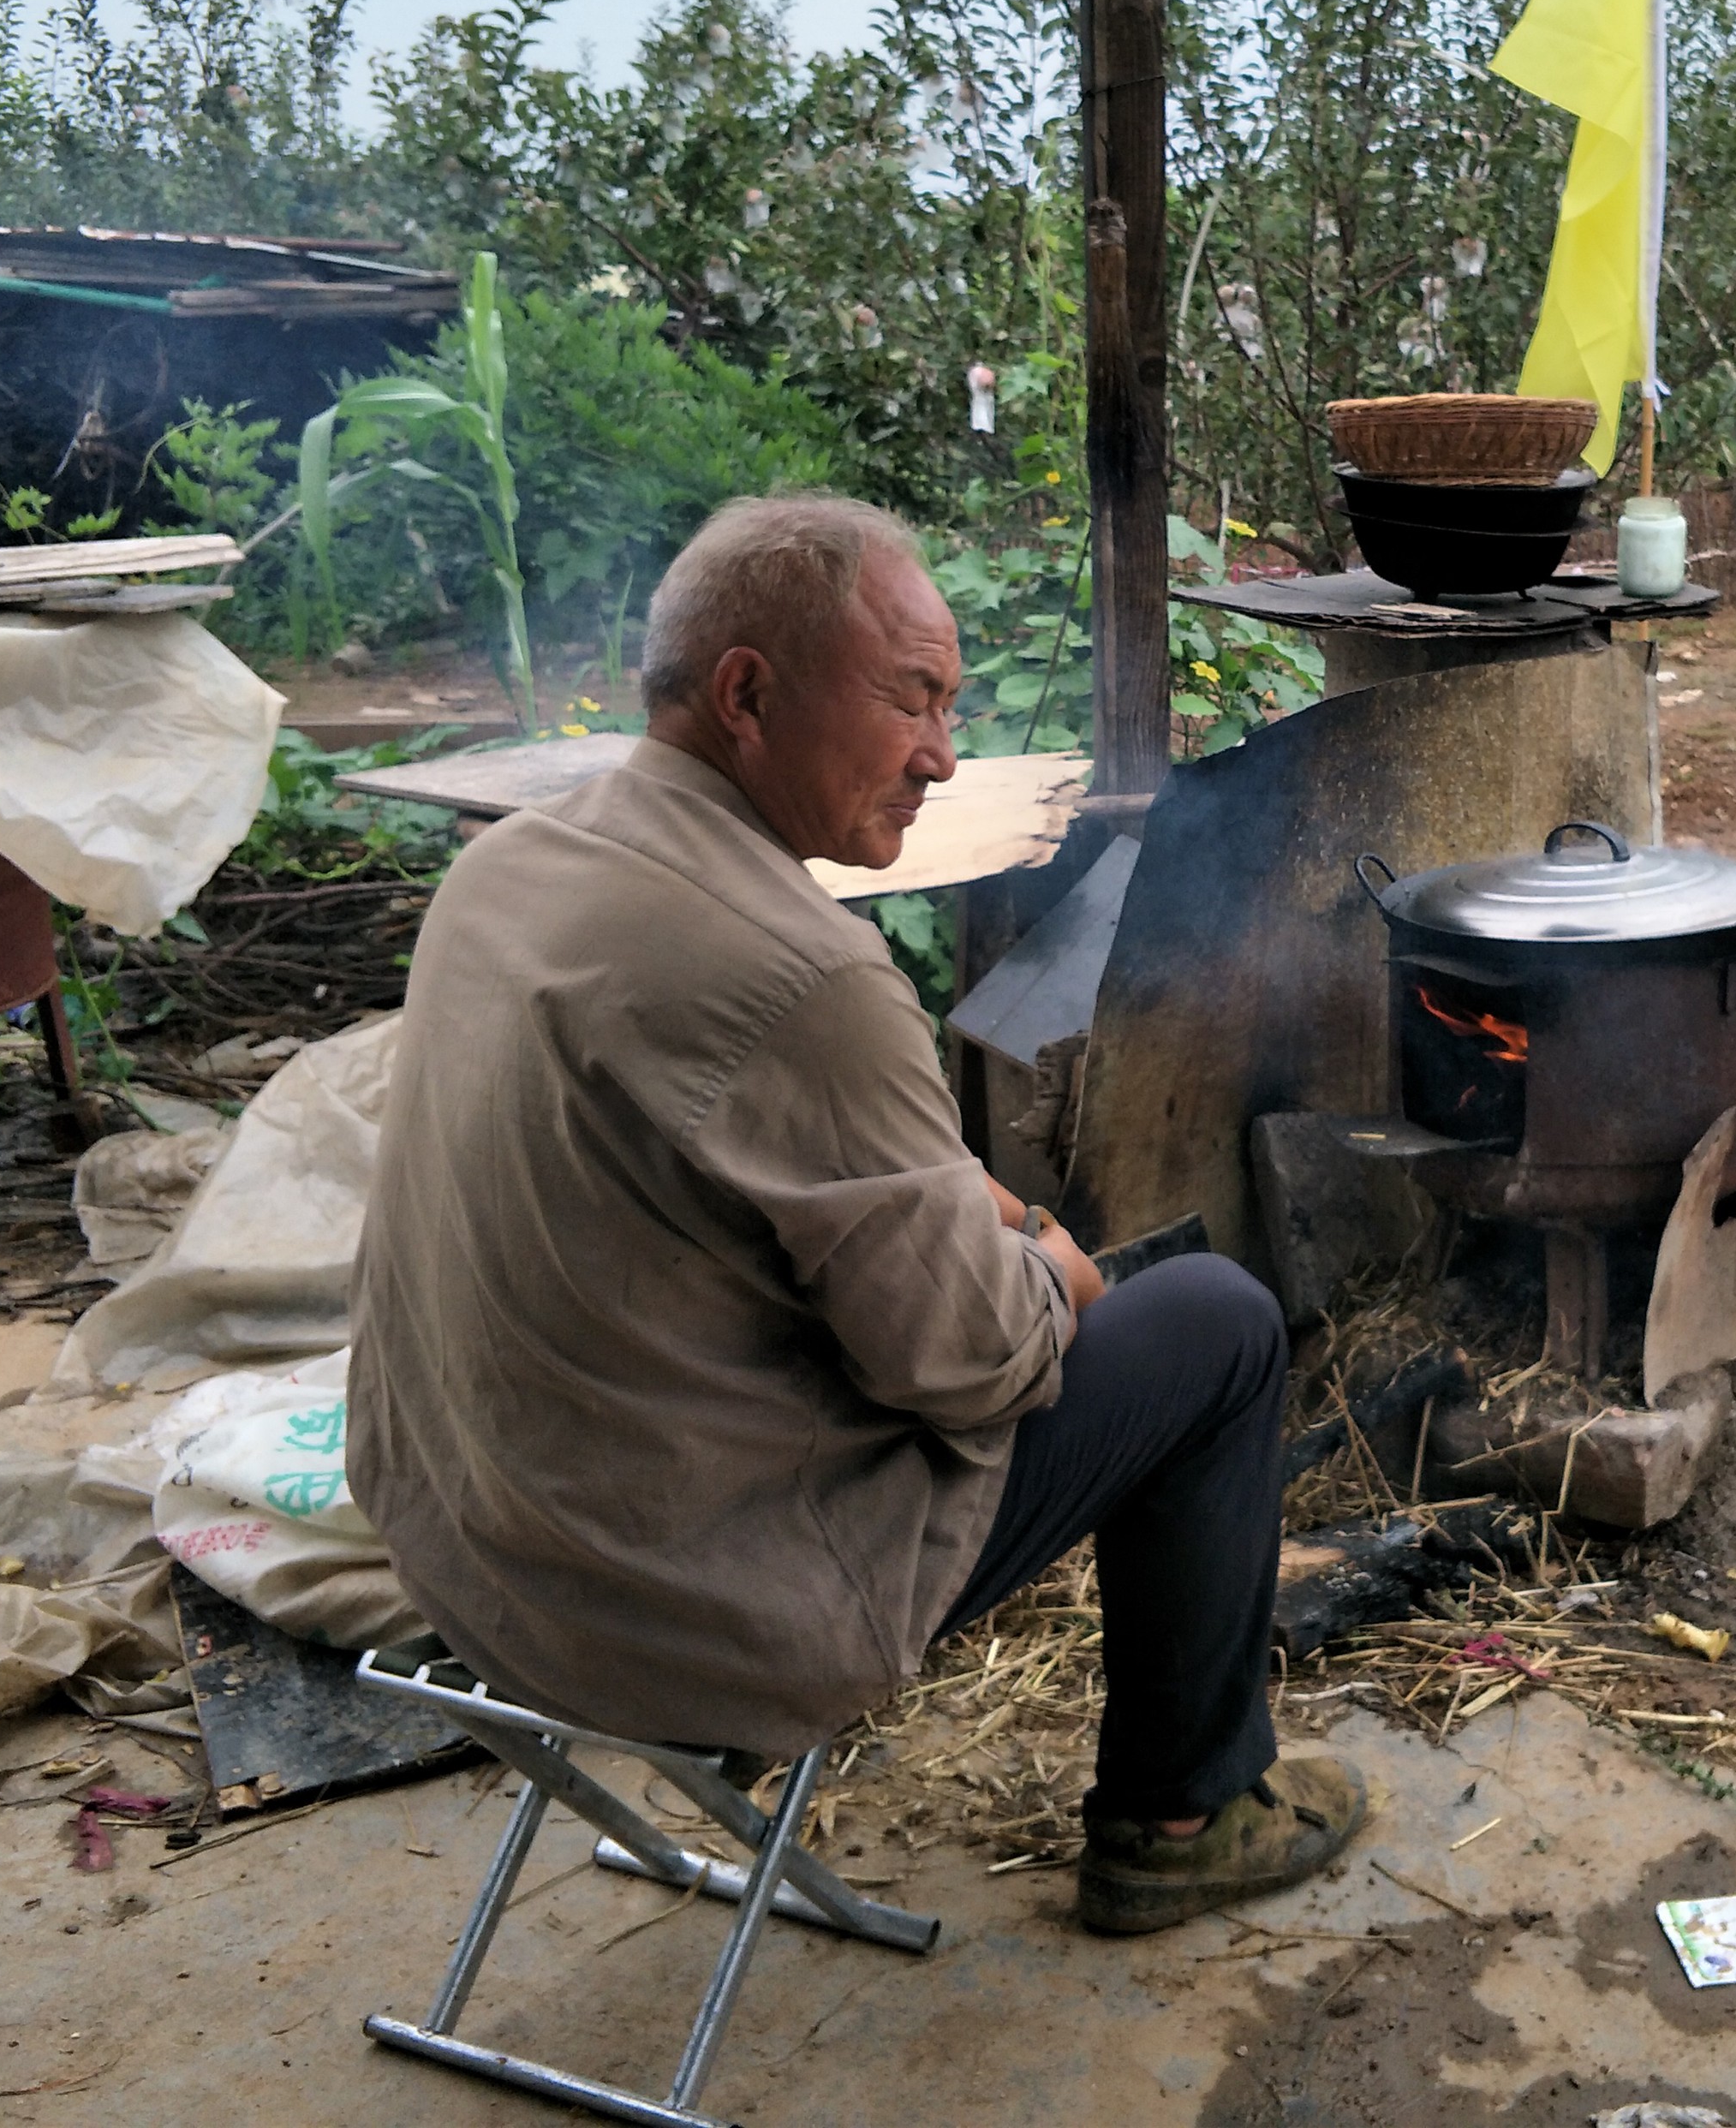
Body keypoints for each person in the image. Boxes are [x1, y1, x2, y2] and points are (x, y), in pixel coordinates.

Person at [347, 494, 1368, 1935]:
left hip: (475, 1556)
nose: (944, 757)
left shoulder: (507, 866)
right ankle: (1182, 1815)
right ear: (749, 694)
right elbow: (965, 1367)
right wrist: (1051, 1267)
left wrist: (976, 1214)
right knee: (1213, 1322)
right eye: (913, 701)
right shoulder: (803, 976)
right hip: (680, 1608)